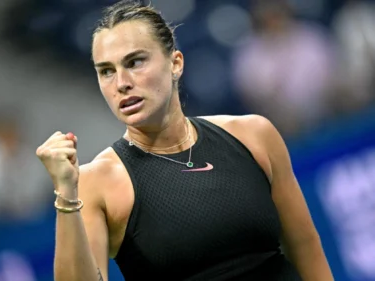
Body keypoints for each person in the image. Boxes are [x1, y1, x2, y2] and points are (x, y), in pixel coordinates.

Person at [36, 1, 334, 280]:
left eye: (135, 62)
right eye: (106, 71)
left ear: (175, 63)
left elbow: (304, 244)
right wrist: (65, 193)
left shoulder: (254, 135)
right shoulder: (95, 181)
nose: (122, 83)